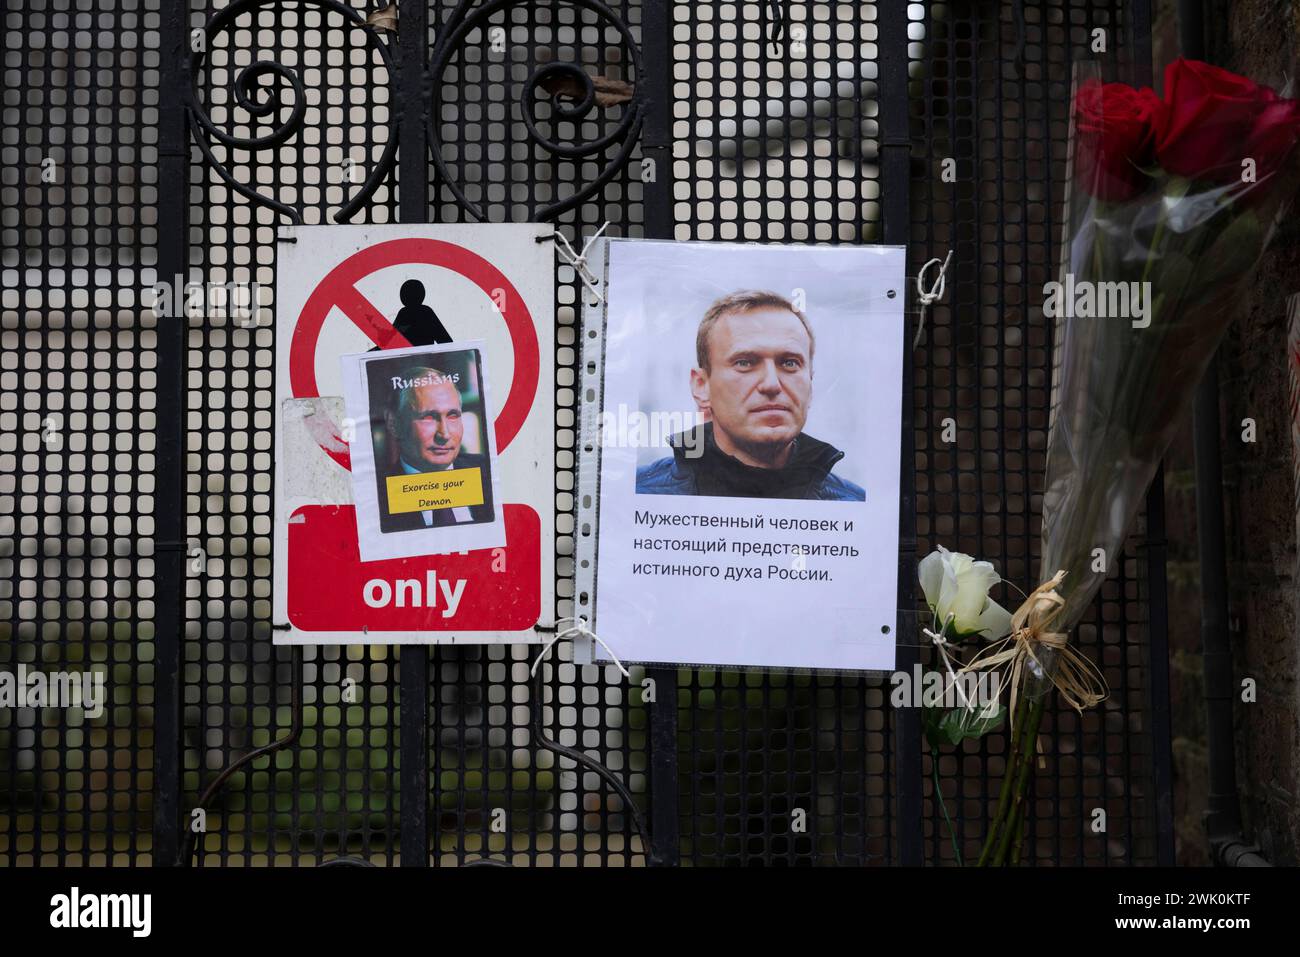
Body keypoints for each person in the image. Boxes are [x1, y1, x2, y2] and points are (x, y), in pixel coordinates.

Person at [636, 290, 865, 501]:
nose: (771, 384)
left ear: (810, 384)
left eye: (789, 363)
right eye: (744, 363)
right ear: (701, 386)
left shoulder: (855, 507)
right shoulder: (639, 496)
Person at [379, 364, 494, 531]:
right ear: (393, 423)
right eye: (429, 417)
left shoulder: (490, 473)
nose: (444, 434)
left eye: (453, 415)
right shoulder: (376, 500)